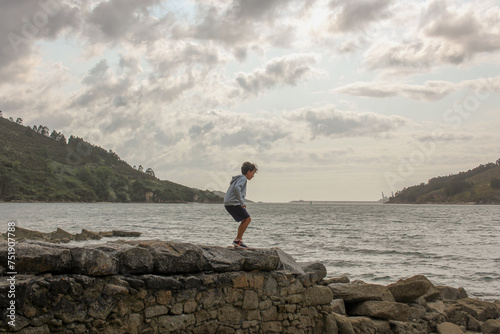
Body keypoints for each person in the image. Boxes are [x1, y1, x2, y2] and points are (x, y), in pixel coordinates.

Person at [224, 162, 258, 249]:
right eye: (253, 173)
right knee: (247, 219)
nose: (253, 176)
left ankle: (238, 240)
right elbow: (237, 188)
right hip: (233, 203)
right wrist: (242, 202)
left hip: (229, 203)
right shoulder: (243, 178)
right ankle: (237, 240)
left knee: (244, 220)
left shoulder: (238, 178)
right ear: (248, 172)